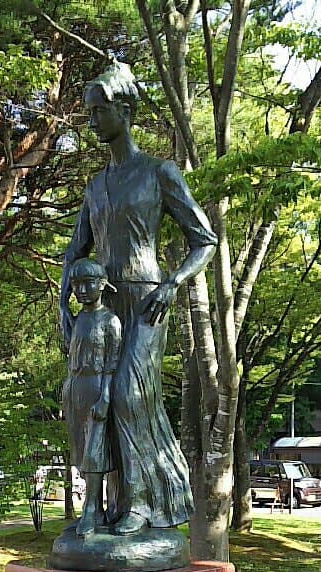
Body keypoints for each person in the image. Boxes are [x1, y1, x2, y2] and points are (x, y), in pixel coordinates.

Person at [60, 61, 217, 535]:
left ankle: (147, 503)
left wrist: (173, 283)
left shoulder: (158, 172)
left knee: (130, 396)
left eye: (99, 111)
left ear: (125, 111)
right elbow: (75, 250)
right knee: (100, 403)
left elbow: (204, 240)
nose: (92, 121)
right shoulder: (95, 186)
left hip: (148, 301)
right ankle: (109, 506)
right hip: (101, 306)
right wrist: (65, 304)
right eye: (88, 113)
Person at [62, 258, 122, 537]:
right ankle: (93, 509)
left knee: (95, 451)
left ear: (102, 284)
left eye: (88, 283)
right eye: (76, 285)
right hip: (75, 387)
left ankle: (92, 509)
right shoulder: (78, 319)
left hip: (98, 385)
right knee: (81, 449)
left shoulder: (110, 320)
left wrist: (106, 396)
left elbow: (112, 363)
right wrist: (63, 306)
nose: (82, 290)